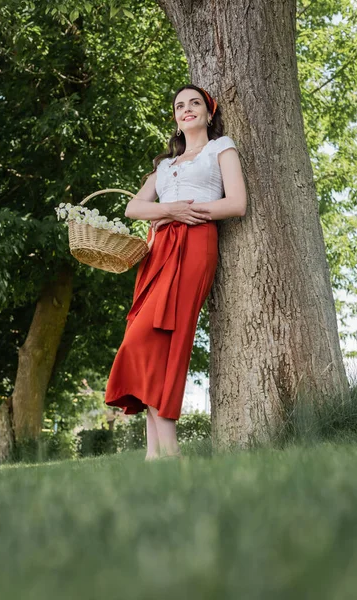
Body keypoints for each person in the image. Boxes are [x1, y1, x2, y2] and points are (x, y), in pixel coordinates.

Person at [104, 84, 247, 461]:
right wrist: (170, 211)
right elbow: (134, 209)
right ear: (175, 117)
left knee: (169, 339)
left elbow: (236, 203)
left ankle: (166, 451)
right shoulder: (164, 166)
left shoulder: (221, 148)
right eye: (180, 105)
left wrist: (188, 212)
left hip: (196, 244)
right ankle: (158, 454)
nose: (187, 109)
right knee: (140, 339)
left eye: (194, 103)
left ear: (208, 112)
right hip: (158, 250)